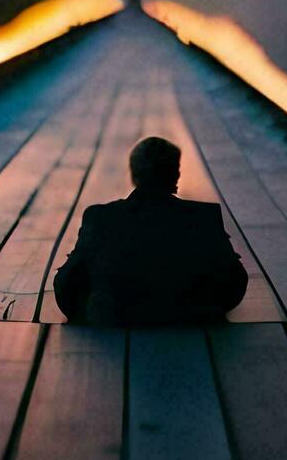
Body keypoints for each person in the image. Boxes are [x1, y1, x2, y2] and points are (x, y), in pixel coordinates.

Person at [53, 136, 248, 325]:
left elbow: (65, 285)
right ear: (175, 174)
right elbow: (235, 283)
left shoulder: (99, 217)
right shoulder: (204, 216)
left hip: (116, 318)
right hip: (191, 318)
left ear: (134, 174)